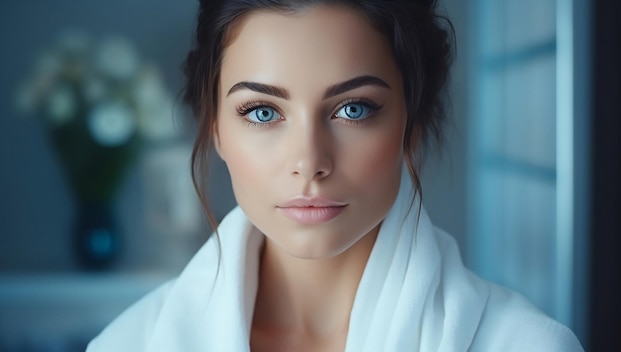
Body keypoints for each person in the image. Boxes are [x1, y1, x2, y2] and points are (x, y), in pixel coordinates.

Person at [88, 0, 584, 351]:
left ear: (411, 125)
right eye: (262, 112)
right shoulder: (127, 344)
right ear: (215, 128)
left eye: (353, 109)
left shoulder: (523, 344)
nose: (309, 160)